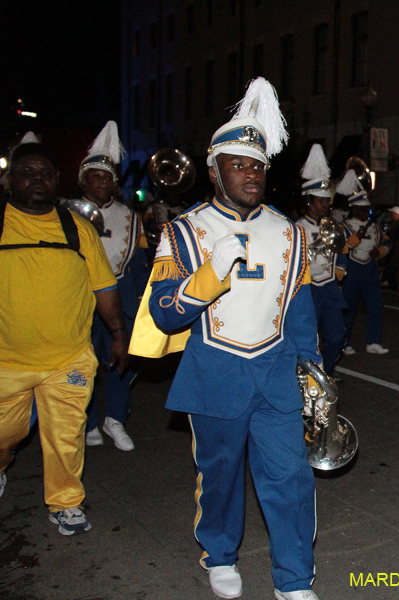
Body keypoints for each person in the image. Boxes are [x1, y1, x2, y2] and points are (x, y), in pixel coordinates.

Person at [138, 78, 321, 600]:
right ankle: (219, 553)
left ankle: (294, 579)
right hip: (214, 372)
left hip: (276, 373)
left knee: (291, 477)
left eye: (257, 165)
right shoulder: (184, 232)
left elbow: (299, 310)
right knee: (219, 475)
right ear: (215, 171)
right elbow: (164, 314)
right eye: (237, 165)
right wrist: (209, 274)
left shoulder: (289, 231)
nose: (251, 174)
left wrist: (313, 372)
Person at [0, 140, 127, 535]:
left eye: (45, 173)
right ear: (9, 179)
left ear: (56, 180)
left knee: (66, 436)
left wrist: (118, 334)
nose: (37, 179)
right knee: (6, 435)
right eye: (27, 172)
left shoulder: (77, 228)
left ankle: (65, 501)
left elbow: (104, 288)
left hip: (68, 359)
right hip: (6, 362)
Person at [79, 120, 150, 451]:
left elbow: (138, 262)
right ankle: (88, 419)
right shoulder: (67, 213)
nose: (102, 182)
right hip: (79, 294)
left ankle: (115, 418)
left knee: (121, 359)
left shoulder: (131, 217)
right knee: (85, 361)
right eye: (95, 176)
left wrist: (142, 299)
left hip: (119, 293)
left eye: (107, 177)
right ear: (83, 180)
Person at [296, 143, 347, 377]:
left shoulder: (333, 226)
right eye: (321, 201)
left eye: (327, 201)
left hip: (328, 288)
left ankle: (323, 374)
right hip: (307, 290)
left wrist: (340, 269)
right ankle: (306, 378)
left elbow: (342, 251)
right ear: (309, 201)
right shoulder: (296, 229)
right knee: (306, 340)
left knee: (337, 337)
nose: (326, 205)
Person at [337, 168, 390, 354]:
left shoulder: (375, 227)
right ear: (353, 209)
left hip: (370, 269)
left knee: (375, 306)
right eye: (361, 208)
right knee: (348, 308)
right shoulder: (344, 227)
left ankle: (373, 342)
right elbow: (340, 248)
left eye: (367, 209)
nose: (365, 211)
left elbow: (388, 243)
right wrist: (355, 238)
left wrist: (380, 251)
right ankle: (345, 342)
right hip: (351, 269)